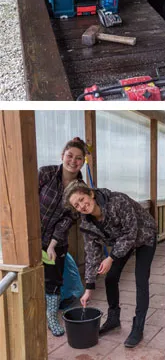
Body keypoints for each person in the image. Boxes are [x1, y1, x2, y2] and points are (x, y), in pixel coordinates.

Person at [64, 180, 158, 349]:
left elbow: (131, 233)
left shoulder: (117, 201)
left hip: (144, 236)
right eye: (76, 205)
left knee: (141, 280)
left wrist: (111, 257)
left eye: (82, 199)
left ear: (91, 194)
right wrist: (89, 288)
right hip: (122, 243)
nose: (82, 206)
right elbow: (92, 254)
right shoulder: (87, 224)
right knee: (111, 278)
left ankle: (138, 327)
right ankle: (113, 318)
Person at [39, 137, 87, 336]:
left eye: (78, 158)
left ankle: (51, 317)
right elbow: (28, 200)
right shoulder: (46, 173)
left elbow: (68, 219)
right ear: (62, 156)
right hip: (30, 236)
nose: (73, 161)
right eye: (70, 156)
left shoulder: (81, 188)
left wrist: (52, 244)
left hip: (56, 242)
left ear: (83, 161)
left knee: (53, 281)